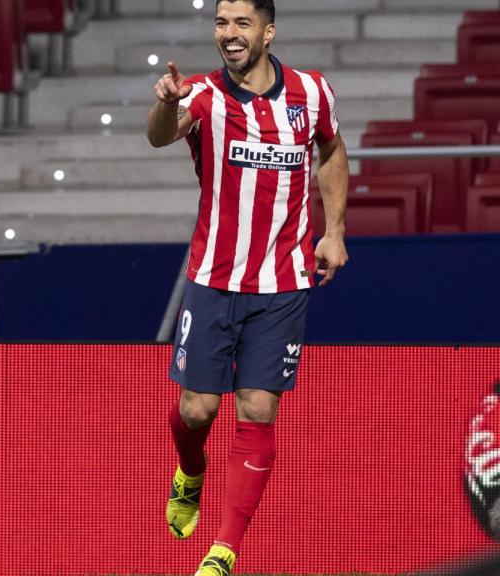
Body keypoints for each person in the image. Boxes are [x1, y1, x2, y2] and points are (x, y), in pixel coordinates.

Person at [146, 1, 349, 575]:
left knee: (258, 408)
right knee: (197, 410)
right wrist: (166, 103)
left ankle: (224, 551)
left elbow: (332, 150)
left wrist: (334, 231)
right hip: (213, 278)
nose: (229, 34)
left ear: (268, 31)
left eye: (241, 23)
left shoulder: (312, 92)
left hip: (283, 282)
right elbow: (159, 137)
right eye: (221, 23)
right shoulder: (201, 94)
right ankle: (191, 469)